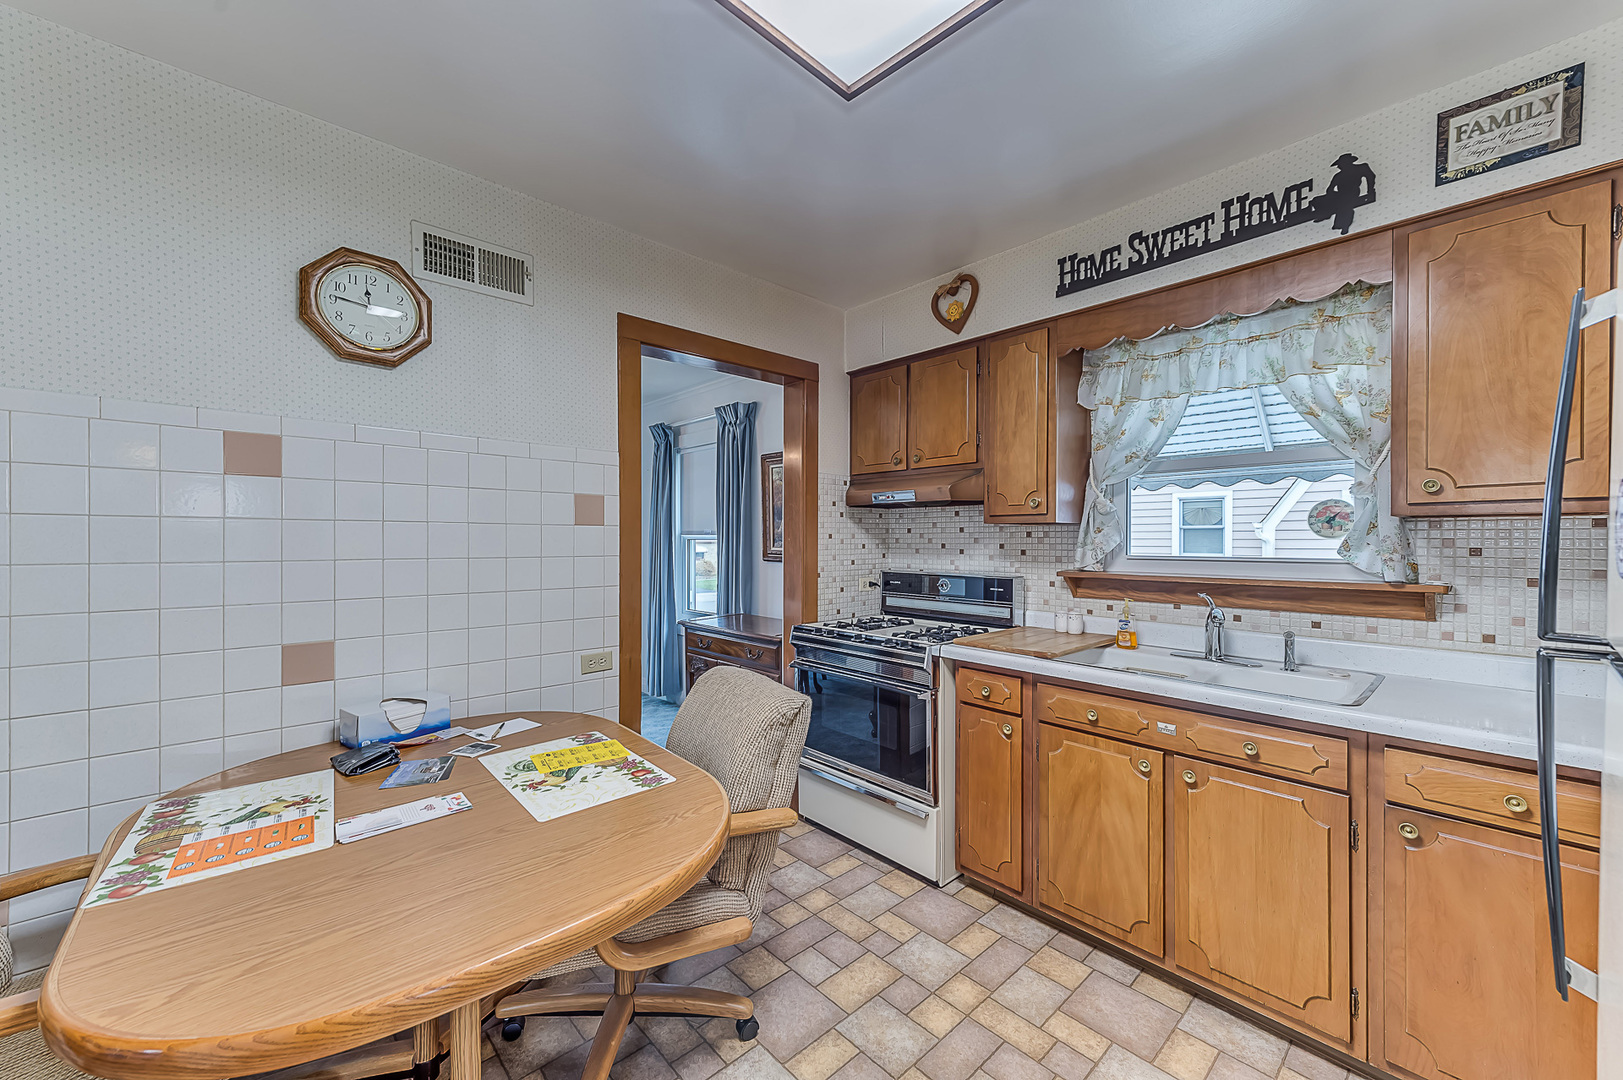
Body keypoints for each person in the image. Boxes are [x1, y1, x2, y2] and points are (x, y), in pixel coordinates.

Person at [1311, 153, 1377, 234]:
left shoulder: (1360, 168)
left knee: (1344, 203)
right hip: (1339, 195)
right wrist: (1332, 195)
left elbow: (1370, 176)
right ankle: (1325, 214)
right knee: (1316, 200)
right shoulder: (1338, 175)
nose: (1338, 167)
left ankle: (1344, 225)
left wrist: (1370, 191)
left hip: (1352, 194)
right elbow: (1330, 189)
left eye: (1340, 165)